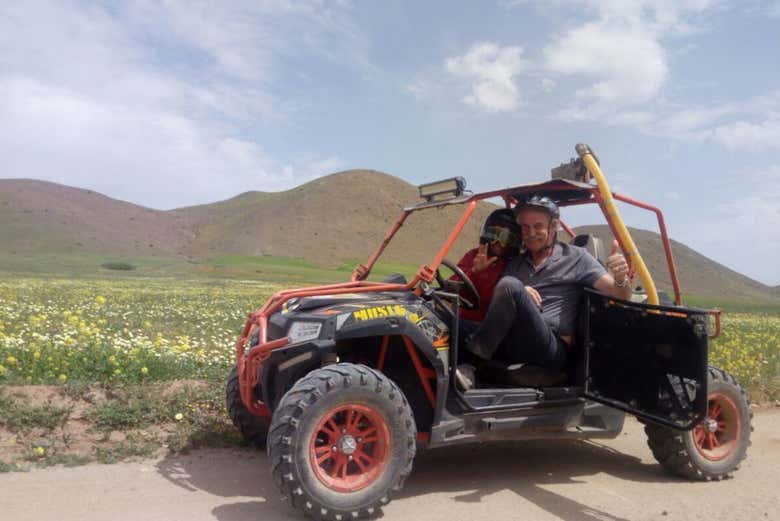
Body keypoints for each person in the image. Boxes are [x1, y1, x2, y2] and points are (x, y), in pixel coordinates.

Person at [459, 195, 632, 387]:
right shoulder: (516, 263)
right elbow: (497, 305)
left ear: (553, 226)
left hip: (550, 346)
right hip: (513, 340)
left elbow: (619, 294)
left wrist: (620, 278)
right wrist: (484, 276)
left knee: (510, 285)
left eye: (538, 226)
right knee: (445, 322)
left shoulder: (576, 258)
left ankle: (471, 366)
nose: (531, 233)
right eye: (525, 227)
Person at [452, 208, 520, 322]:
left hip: (486, 326)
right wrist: (474, 272)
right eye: (493, 235)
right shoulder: (474, 255)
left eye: (506, 238)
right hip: (460, 318)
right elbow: (452, 286)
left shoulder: (513, 265)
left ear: (514, 241)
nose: (498, 243)